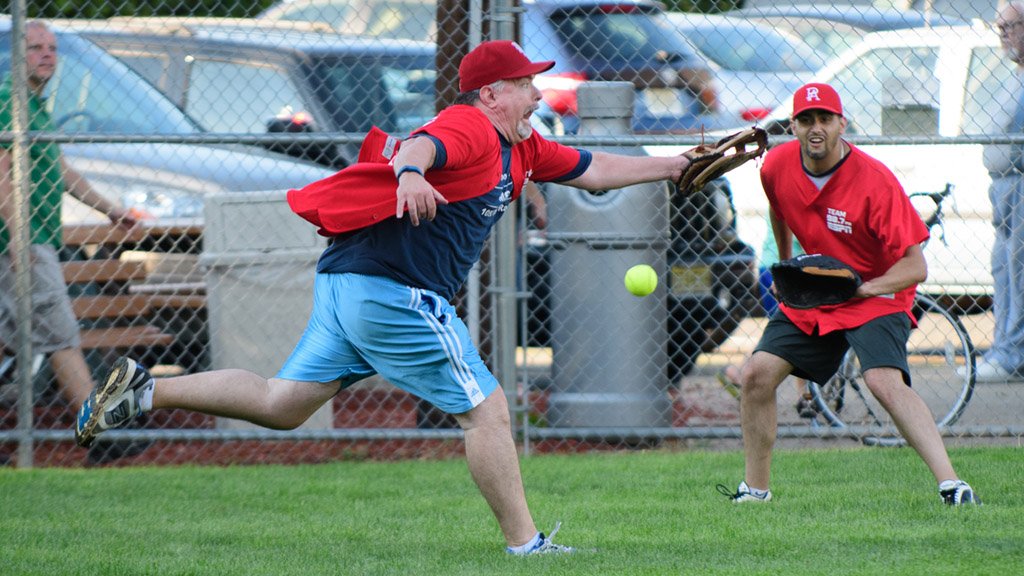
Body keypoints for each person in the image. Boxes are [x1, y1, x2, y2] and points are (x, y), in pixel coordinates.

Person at [73, 40, 696, 553]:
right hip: (391, 291)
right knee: (486, 410)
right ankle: (525, 545)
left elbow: (591, 168)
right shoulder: (472, 125)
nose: (537, 94)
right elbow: (424, 142)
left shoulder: (523, 146)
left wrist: (673, 166)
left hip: (347, 283)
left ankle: (144, 390)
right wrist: (411, 173)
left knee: (281, 403)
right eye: (525, 84)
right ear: (490, 94)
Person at [722, 82, 981, 506]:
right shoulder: (778, 166)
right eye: (806, 119)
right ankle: (755, 491)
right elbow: (779, 207)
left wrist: (865, 288)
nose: (816, 128)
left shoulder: (875, 181)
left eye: (825, 118)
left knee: (882, 381)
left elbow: (915, 267)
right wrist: (785, 266)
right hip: (818, 290)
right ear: (793, 126)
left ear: (842, 124)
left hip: (877, 291)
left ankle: (952, 485)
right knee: (756, 375)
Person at [0, 21, 140, 461]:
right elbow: (0, 175)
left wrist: (110, 209)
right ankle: (102, 436)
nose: (46, 54)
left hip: (34, 239)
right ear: (16, 56)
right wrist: (19, 238)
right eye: (35, 47)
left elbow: (61, 171)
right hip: (21, 243)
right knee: (61, 336)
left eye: (52, 48)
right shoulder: (7, 102)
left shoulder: (35, 106)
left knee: (12, 339)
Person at [973, 1, 1024, 382]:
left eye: (1010, 26)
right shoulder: (1012, 74)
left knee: (1019, 270)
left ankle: (1013, 354)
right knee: (1003, 268)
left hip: (1020, 184)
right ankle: (1003, 346)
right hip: (1003, 187)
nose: (1003, 34)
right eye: (1000, 27)